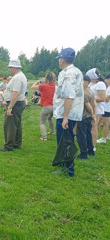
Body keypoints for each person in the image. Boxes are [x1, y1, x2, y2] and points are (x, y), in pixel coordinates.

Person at [53, 48, 84, 177]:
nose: (59, 61)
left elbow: (70, 96)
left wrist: (65, 117)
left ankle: (69, 169)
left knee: (65, 140)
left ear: (63, 59)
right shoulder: (74, 71)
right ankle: (64, 163)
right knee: (65, 139)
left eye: (59, 58)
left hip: (67, 114)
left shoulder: (69, 73)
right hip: (70, 112)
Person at [0, 60, 27, 152]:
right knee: (17, 124)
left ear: (15, 68)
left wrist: (10, 107)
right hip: (18, 103)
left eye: (10, 67)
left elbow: (16, 93)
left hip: (15, 104)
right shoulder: (20, 76)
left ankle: (8, 146)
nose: (9, 69)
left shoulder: (17, 78)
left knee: (9, 125)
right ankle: (16, 143)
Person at [76, 75, 97, 159]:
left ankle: (83, 154)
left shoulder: (83, 93)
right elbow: (94, 104)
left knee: (81, 135)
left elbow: (88, 106)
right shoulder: (90, 91)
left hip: (84, 117)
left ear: (87, 82)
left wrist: (92, 114)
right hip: (88, 117)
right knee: (88, 134)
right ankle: (91, 151)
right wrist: (93, 116)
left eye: (82, 81)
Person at [31, 73, 56, 141]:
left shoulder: (43, 86)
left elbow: (32, 87)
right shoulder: (55, 86)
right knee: (50, 118)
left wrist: (36, 81)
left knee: (42, 122)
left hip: (47, 107)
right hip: (55, 107)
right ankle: (52, 131)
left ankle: (44, 137)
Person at [97, 73, 110, 143]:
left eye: (106, 79)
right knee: (99, 122)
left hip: (107, 108)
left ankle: (104, 138)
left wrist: (100, 97)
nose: (105, 81)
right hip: (105, 108)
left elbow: (107, 99)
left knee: (106, 124)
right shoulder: (108, 87)